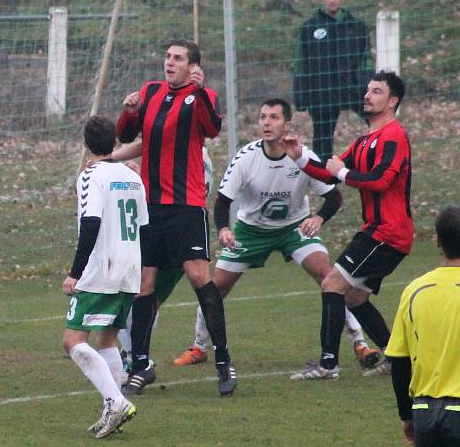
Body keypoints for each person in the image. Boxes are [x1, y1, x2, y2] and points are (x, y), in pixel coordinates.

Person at [171, 98, 380, 370]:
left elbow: (333, 197)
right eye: (263, 117)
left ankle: (359, 343)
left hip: (294, 228)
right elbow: (222, 201)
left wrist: (318, 218)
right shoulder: (246, 158)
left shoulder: (302, 156)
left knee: (330, 278)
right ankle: (199, 347)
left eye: (273, 117)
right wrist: (223, 229)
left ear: (287, 124)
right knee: (215, 287)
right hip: (251, 231)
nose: (266, 123)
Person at [115, 39, 236, 397]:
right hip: (150, 205)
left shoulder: (204, 96)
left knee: (199, 276)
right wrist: (128, 110)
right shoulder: (150, 92)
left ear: (193, 65)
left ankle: (223, 362)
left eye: (178, 58)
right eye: (167, 56)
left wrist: (198, 93)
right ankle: (140, 365)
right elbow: (125, 134)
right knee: (144, 284)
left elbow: (212, 129)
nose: (170, 62)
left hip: (186, 204)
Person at [282, 70, 412, 380]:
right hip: (379, 231)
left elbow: (380, 181)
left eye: (376, 91)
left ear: (392, 101)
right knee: (354, 297)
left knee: (332, 284)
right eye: (368, 90)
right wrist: (299, 157)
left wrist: (341, 173)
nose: (368, 96)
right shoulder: (366, 139)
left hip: (388, 233)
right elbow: (329, 172)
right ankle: (396, 359)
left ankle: (328, 365)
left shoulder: (394, 136)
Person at [62, 116, 147, 438]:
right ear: (115, 142)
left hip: (102, 268)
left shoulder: (90, 176)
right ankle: (112, 407)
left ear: (86, 144)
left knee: (72, 340)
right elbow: (145, 227)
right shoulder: (131, 176)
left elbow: (91, 224)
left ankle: (116, 401)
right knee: (108, 338)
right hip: (130, 267)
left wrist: (75, 273)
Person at [386, 207, 460, 447]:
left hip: (424, 412)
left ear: (437, 241)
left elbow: (398, 360)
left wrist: (406, 416)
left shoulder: (414, 290)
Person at [293, 0, 372, 161]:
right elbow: (300, 63)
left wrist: (368, 85)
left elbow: (366, 59)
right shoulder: (310, 27)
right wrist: (301, 98)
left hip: (353, 88)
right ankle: (323, 181)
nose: (332, 0)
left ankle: (378, 164)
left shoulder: (357, 26)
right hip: (323, 92)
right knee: (322, 140)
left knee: (377, 125)